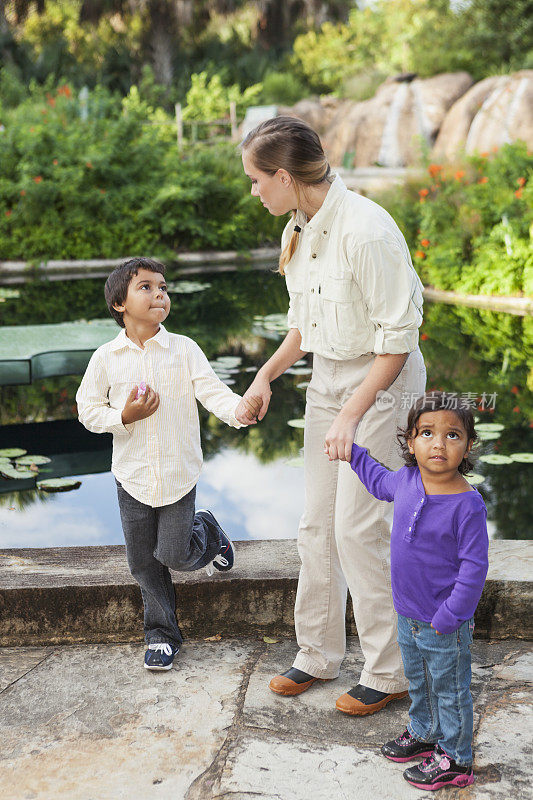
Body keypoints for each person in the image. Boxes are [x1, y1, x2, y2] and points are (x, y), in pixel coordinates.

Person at [240, 116, 426, 714]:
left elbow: (397, 339)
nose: (254, 191)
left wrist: (351, 413)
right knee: (316, 525)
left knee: (358, 527)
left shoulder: (366, 230)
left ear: (287, 177)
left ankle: (389, 671)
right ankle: (317, 655)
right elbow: (303, 327)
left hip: (383, 381)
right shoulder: (300, 227)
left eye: (256, 179)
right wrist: (266, 376)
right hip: (329, 380)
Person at [76, 257, 259, 671]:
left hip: (178, 473)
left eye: (163, 287)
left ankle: (209, 533)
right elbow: (87, 410)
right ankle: (161, 635)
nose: (160, 293)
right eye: (146, 287)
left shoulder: (185, 349)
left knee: (174, 554)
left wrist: (240, 409)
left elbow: (213, 393)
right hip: (132, 476)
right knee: (142, 561)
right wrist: (124, 417)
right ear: (119, 303)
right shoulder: (106, 357)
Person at [346, 392, 488, 790]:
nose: (439, 444)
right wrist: (352, 451)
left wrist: (451, 615)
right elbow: (376, 480)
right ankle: (424, 734)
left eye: (452, 435)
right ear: (410, 442)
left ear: (468, 445)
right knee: (419, 680)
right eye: (427, 433)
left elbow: (474, 569)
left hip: (444, 621)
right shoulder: (406, 480)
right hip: (408, 614)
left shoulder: (467, 505)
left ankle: (456, 759)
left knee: (450, 690)